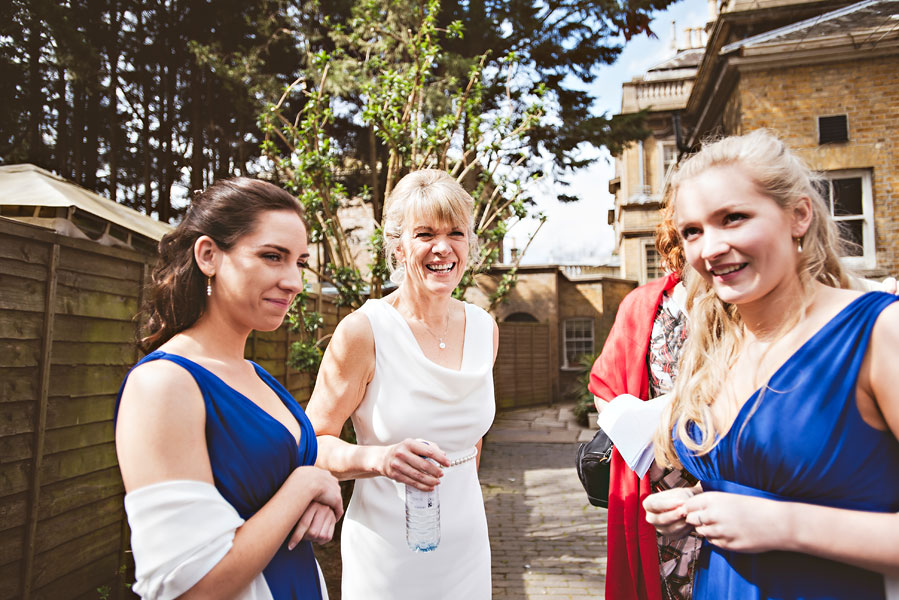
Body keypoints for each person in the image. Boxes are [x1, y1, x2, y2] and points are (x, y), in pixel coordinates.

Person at [643, 130, 899, 599]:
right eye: (692, 231)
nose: (710, 248)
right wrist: (698, 506)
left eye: (733, 218)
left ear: (798, 215)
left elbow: (787, 506)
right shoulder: (717, 344)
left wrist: (785, 524)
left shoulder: (880, 332)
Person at [115, 178, 343, 599]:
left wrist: (318, 494)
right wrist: (306, 486)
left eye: (300, 262)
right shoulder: (162, 385)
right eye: (272, 256)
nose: (293, 281)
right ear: (208, 256)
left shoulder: (259, 377)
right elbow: (194, 589)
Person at [304, 169, 498, 599]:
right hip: (387, 552)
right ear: (397, 245)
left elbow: (472, 442)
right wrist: (380, 458)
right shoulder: (363, 331)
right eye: (425, 233)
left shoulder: (485, 327)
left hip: (466, 547)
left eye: (456, 233)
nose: (442, 248)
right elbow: (312, 443)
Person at [588, 206, 700, 600]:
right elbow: (604, 387)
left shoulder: (747, 303)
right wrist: (639, 430)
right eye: (693, 233)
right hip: (653, 482)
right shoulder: (642, 304)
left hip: (724, 485)